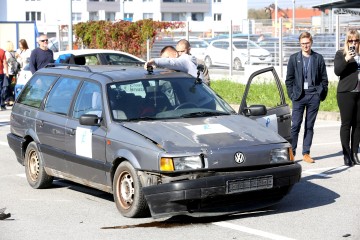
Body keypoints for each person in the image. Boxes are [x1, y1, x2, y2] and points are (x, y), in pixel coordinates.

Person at [285, 31, 328, 163]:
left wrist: (320, 93)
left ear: (311, 42)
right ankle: (292, 153)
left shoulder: (318, 58)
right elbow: (289, 80)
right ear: (300, 44)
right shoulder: (294, 58)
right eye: (303, 43)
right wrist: (292, 95)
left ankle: (306, 153)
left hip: (313, 96)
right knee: (295, 125)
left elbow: (324, 79)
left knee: (309, 126)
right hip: (298, 96)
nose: (305, 46)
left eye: (307, 43)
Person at [334, 29, 360, 167]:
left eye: (356, 40)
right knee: (346, 124)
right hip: (346, 93)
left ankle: (355, 153)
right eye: (351, 40)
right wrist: (346, 59)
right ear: (347, 42)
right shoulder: (341, 54)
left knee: (358, 124)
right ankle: (346, 154)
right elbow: (337, 71)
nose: (354, 43)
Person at [5, 41, 18, 105]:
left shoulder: (7, 53)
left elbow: (6, 62)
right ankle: (12, 99)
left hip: (9, 72)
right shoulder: (14, 53)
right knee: (12, 86)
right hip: (14, 72)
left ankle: (9, 100)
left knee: (8, 86)